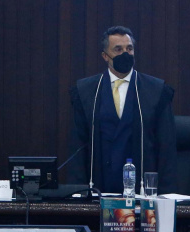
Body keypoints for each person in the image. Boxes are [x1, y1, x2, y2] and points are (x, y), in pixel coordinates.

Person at [68, 26, 177, 194]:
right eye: (118, 49)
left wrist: (165, 195)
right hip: (99, 186)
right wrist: (77, 193)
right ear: (105, 56)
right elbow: (78, 145)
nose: (125, 54)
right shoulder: (86, 91)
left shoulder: (156, 90)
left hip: (141, 189)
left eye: (129, 48)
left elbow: (166, 147)